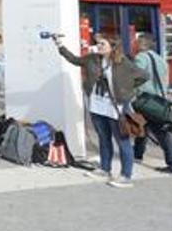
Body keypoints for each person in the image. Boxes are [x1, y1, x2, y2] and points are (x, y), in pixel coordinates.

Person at [55, 33, 148, 188]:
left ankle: (126, 176)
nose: (98, 46)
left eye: (102, 44)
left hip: (116, 107)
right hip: (97, 106)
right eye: (98, 44)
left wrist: (125, 90)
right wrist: (59, 45)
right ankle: (105, 169)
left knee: (122, 141)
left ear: (113, 46)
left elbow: (144, 75)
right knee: (103, 139)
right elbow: (74, 60)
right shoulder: (92, 58)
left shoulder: (123, 63)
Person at [132, 33, 172, 176]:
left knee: (158, 131)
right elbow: (165, 80)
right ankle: (138, 154)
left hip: (146, 99)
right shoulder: (160, 59)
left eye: (136, 42)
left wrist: (133, 89)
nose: (134, 44)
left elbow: (138, 76)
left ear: (141, 44)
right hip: (158, 100)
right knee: (142, 125)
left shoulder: (141, 57)